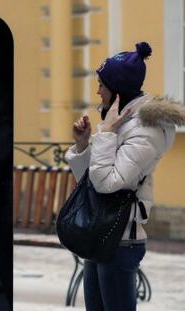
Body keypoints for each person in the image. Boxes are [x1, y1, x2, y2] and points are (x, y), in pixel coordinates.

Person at [65, 42, 185, 310]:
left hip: (121, 242)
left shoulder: (146, 131)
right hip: (100, 234)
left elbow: (107, 184)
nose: (97, 91)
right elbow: (91, 180)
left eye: (102, 85)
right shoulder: (119, 121)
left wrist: (106, 133)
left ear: (117, 90)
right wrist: (84, 145)